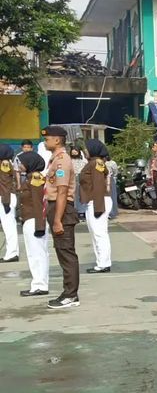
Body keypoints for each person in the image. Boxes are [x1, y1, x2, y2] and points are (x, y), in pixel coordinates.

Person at [42, 125, 80, 309]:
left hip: (62, 209)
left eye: (47, 138)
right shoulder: (55, 159)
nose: (45, 141)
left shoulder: (61, 161)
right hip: (55, 207)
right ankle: (70, 293)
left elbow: (62, 191)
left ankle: (70, 295)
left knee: (66, 252)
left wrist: (57, 219)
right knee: (62, 250)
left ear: (57, 140)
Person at [15, 151, 49, 297]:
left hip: (35, 220)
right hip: (31, 220)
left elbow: (38, 203)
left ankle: (40, 285)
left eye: (21, 162)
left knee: (37, 254)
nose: (19, 165)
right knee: (34, 254)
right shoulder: (29, 177)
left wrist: (40, 226)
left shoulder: (35, 178)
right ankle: (38, 284)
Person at [80, 139, 112, 274]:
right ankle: (101, 261)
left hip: (98, 200)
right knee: (96, 234)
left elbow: (98, 184)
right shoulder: (93, 163)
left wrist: (99, 207)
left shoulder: (96, 163)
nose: (84, 151)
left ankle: (103, 263)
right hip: (94, 200)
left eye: (86, 149)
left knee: (99, 234)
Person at [0, 143, 18, 263]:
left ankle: (11, 253)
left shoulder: (4, 164)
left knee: (9, 226)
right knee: (9, 225)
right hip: (6, 196)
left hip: (5, 197)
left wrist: (5, 202)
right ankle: (12, 252)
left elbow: (5, 184)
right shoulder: (5, 163)